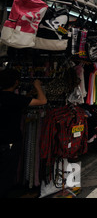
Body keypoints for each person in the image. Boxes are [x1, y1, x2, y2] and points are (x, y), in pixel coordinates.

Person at [0, 69, 47, 198]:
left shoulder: (10, 98)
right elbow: (43, 101)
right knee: (6, 175)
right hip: (10, 142)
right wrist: (37, 86)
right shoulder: (15, 99)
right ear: (16, 82)